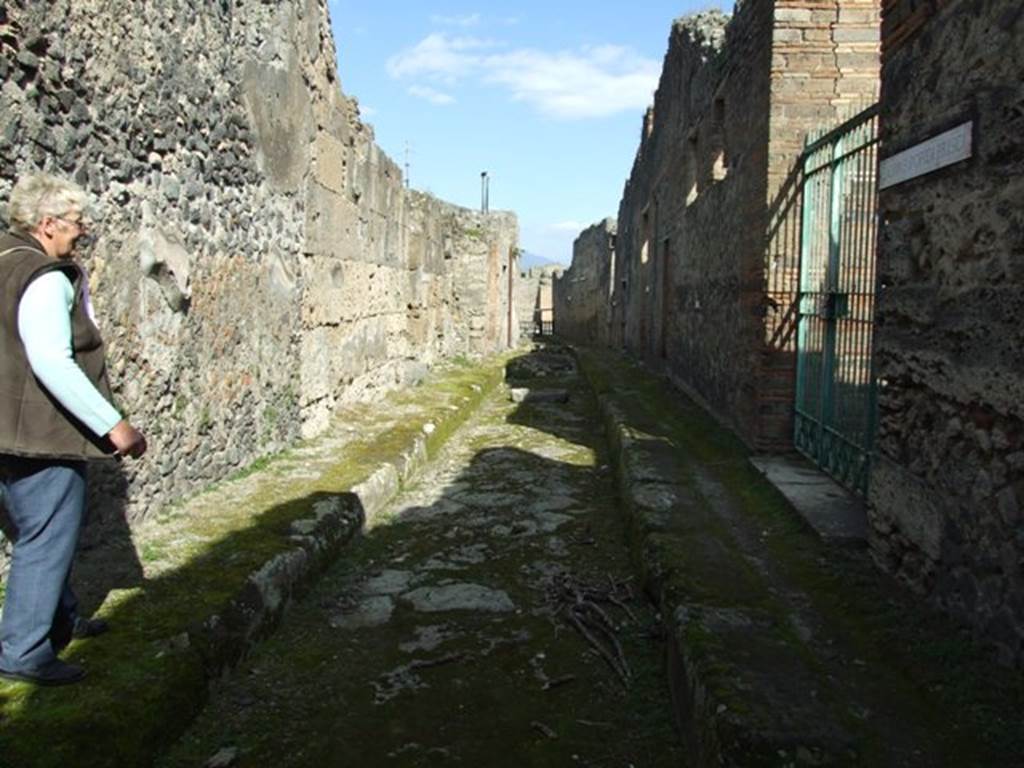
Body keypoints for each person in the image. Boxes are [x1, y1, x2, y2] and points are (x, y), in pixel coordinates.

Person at [0, 172, 147, 686]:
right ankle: (25, 651)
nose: (81, 231)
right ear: (46, 225)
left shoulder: (3, 261)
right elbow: (53, 362)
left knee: (38, 532)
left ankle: (59, 620)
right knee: (46, 534)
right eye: (75, 223)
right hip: (37, 435)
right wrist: (115, 427)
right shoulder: (43, 276)